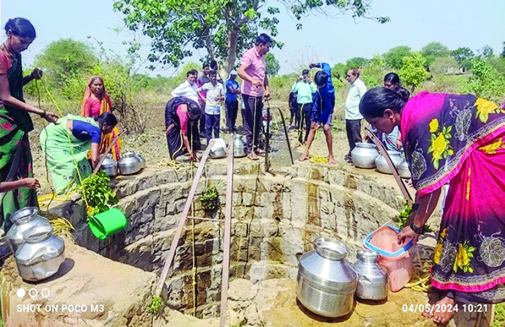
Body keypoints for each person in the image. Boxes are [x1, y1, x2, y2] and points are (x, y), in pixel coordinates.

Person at [360, 87, 505, 325]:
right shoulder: (414, 110)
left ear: (389, 114)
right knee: (456, 213)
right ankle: (452, 287)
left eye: (375, 123)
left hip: (494, 151)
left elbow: (431, 187)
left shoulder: (417, 123)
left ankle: (456, 296)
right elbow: (428, 184)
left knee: (473, 221)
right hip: (481, 148)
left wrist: (416, 227)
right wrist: (415, 218)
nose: (376, 129)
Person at [0, 17, 59, 230]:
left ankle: (26, 213)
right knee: (6, 168)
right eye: (22, 41)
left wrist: (30, 77)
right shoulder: (1, 57)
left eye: (29, 44)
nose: (25, 47)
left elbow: (14, 86)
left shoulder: (15, 56)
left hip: (17, 119)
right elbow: (5, 96)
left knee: (23, 166)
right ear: (9, 33)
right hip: (4, 121)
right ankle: (9, 218)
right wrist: (41, 112)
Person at [40, 113, 117, 194]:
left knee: (83, 164)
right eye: (111, 128)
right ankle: (64, 193)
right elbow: (94, 159)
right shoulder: (95, 130)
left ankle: (79, 187)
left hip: (60, 135)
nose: (110, 131)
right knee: (67, 166)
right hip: (52, 137)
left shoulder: (92, 123)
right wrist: (98, 174)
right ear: (104, 125)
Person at [238, 33, 271, 160]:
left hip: (258, 95)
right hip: (249, 94)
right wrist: (252, 80)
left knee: (258, 122)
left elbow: (264, 74)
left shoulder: (262, 58)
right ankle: (249, 149)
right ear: (261, 45)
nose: (268, 49)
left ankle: (256, 146)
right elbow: (241, 71)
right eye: (267, 47)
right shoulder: (250, 54)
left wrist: (266, 88)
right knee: (249, 122)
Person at [299, 63, 336, 164]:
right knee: (312, 127)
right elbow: (326, 64)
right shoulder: (326, 72)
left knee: (326, 128)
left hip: (327, 105)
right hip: (318, 101)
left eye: (320, 85)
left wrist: (319, 121)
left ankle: (331, 155)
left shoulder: (328, 91)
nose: (319, 86)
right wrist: (315, 65)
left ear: (324, 83)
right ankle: (305, 152)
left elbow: (328, 108)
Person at [80, 76, 122, 160]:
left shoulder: (106, 98)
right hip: (95, 126)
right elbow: (86, 117)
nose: (98, 87)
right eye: (95, 85)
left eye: (100, 85)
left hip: (107, 125)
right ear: (91, 86)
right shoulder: (89, 100)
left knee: (115, 133)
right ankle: (94, 161)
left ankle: (113, 160)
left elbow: (109, 113)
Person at [165, 97, 202, 161]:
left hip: (186, 110)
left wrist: (194, 152)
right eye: (191, 116)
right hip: (171, 109)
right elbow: (184, 135)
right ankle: (175, 156)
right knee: (172, 131)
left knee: (194, 130)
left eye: (194, 117)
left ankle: (194, 155)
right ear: (188, 112)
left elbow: (194, 132)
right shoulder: (183, 116)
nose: (193, 118)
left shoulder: (198, 112)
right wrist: (190, 152)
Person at [344, 68, 367, 163]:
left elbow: (364, 99)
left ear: (355, 76)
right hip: (349, 116)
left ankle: (359, 157)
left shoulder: (360, 85)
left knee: (356, 138)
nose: (347, 78)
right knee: (350, 137)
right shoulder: (352, 85)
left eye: (349, 76)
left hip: (355, 116)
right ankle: (352, 154)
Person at [197, 70, 225, 144]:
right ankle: (209, 144)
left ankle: (216, 143)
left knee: (216, 128)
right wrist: (203, 98)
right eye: (212, 76)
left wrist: (219, 98)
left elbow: (224, 96)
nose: (214, 78)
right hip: (208, 110)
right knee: (208, 127)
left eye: (215, 76)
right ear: (209, 77)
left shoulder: (220, 86)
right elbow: (198, 91)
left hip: (216, 110)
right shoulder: (207, 85)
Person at [291, 69, 316, 143]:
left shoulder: (310, 84)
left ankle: (306, 138)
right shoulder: (299, 83)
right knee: (300, 121)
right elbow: (293, 90)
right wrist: (296, 81)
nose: (305, 76)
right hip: (300, 104)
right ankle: (299, 137)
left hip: (308, 104)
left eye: (306, 75)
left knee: (308, 121)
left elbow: (314, 91)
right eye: (304, 74)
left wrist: (310, 82)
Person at [197, 64, 211, 135]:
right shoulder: (199, 76)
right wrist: (201, 97)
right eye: (206, 69)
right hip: (201, 98)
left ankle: (203, 129)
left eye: (208, 69)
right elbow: (197, 89)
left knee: (206, 114)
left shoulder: (208, 78)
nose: (208, 70)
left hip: (207, 99)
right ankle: (200, 130)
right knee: (201, 114)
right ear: (203, 69)